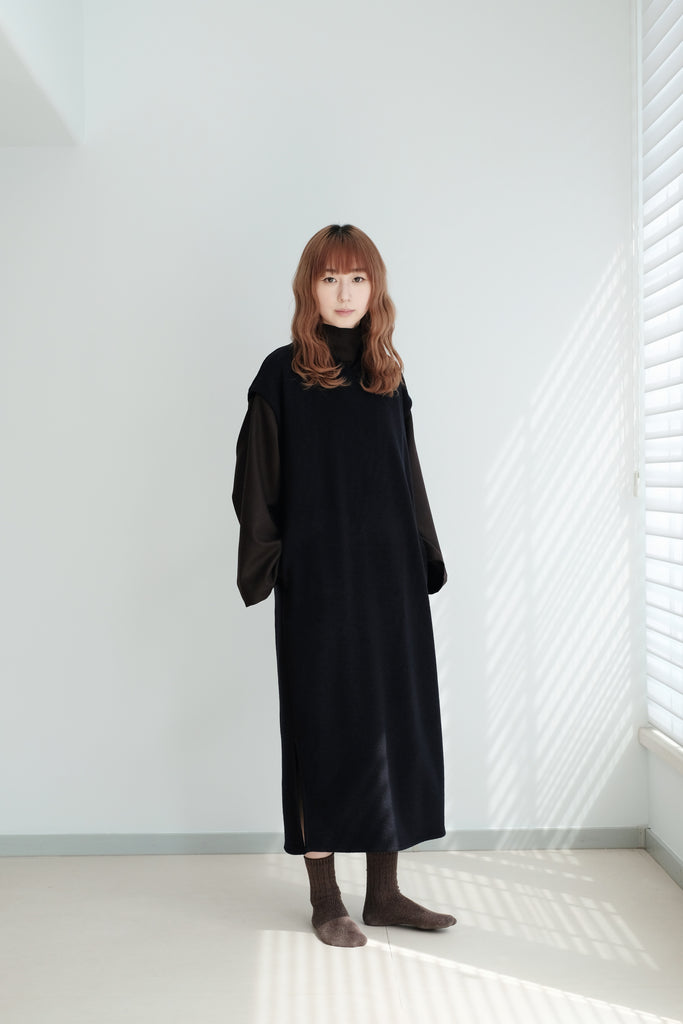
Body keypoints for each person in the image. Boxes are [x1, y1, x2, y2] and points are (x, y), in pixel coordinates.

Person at [232, 224, 456, 947]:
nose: (344, 292)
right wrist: (276, 565)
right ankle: (325, 899)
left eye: (357, 278)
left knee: (391, 727)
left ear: (374, 287)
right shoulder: (282, 374)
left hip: (389, 585)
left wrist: (422, 557)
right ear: (309, 287)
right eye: (330, 278)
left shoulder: (387, 375)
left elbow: (408, 474)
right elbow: (256, 481)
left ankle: (384, 896)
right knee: (323, 730)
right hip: (320, 589)